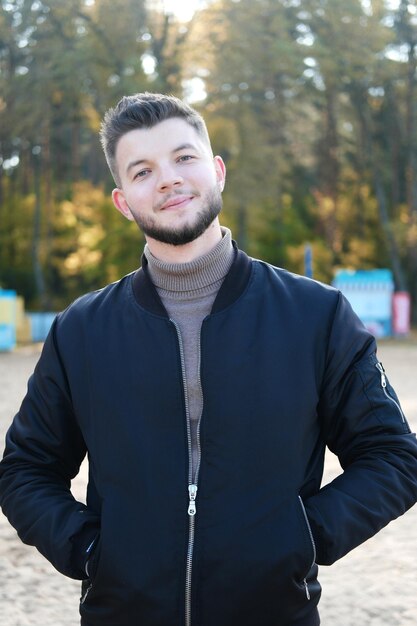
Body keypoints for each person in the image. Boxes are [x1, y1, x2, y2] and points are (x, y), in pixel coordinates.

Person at [1, 93, 417, 626]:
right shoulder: (81, 330)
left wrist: (302, 538)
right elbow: (25, 471)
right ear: (123, 201)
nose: (169, 179)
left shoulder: (317, 315)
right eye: (143, 170)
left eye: (184, 157)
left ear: (217, 171)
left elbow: (393, 458)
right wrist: (90, 552)